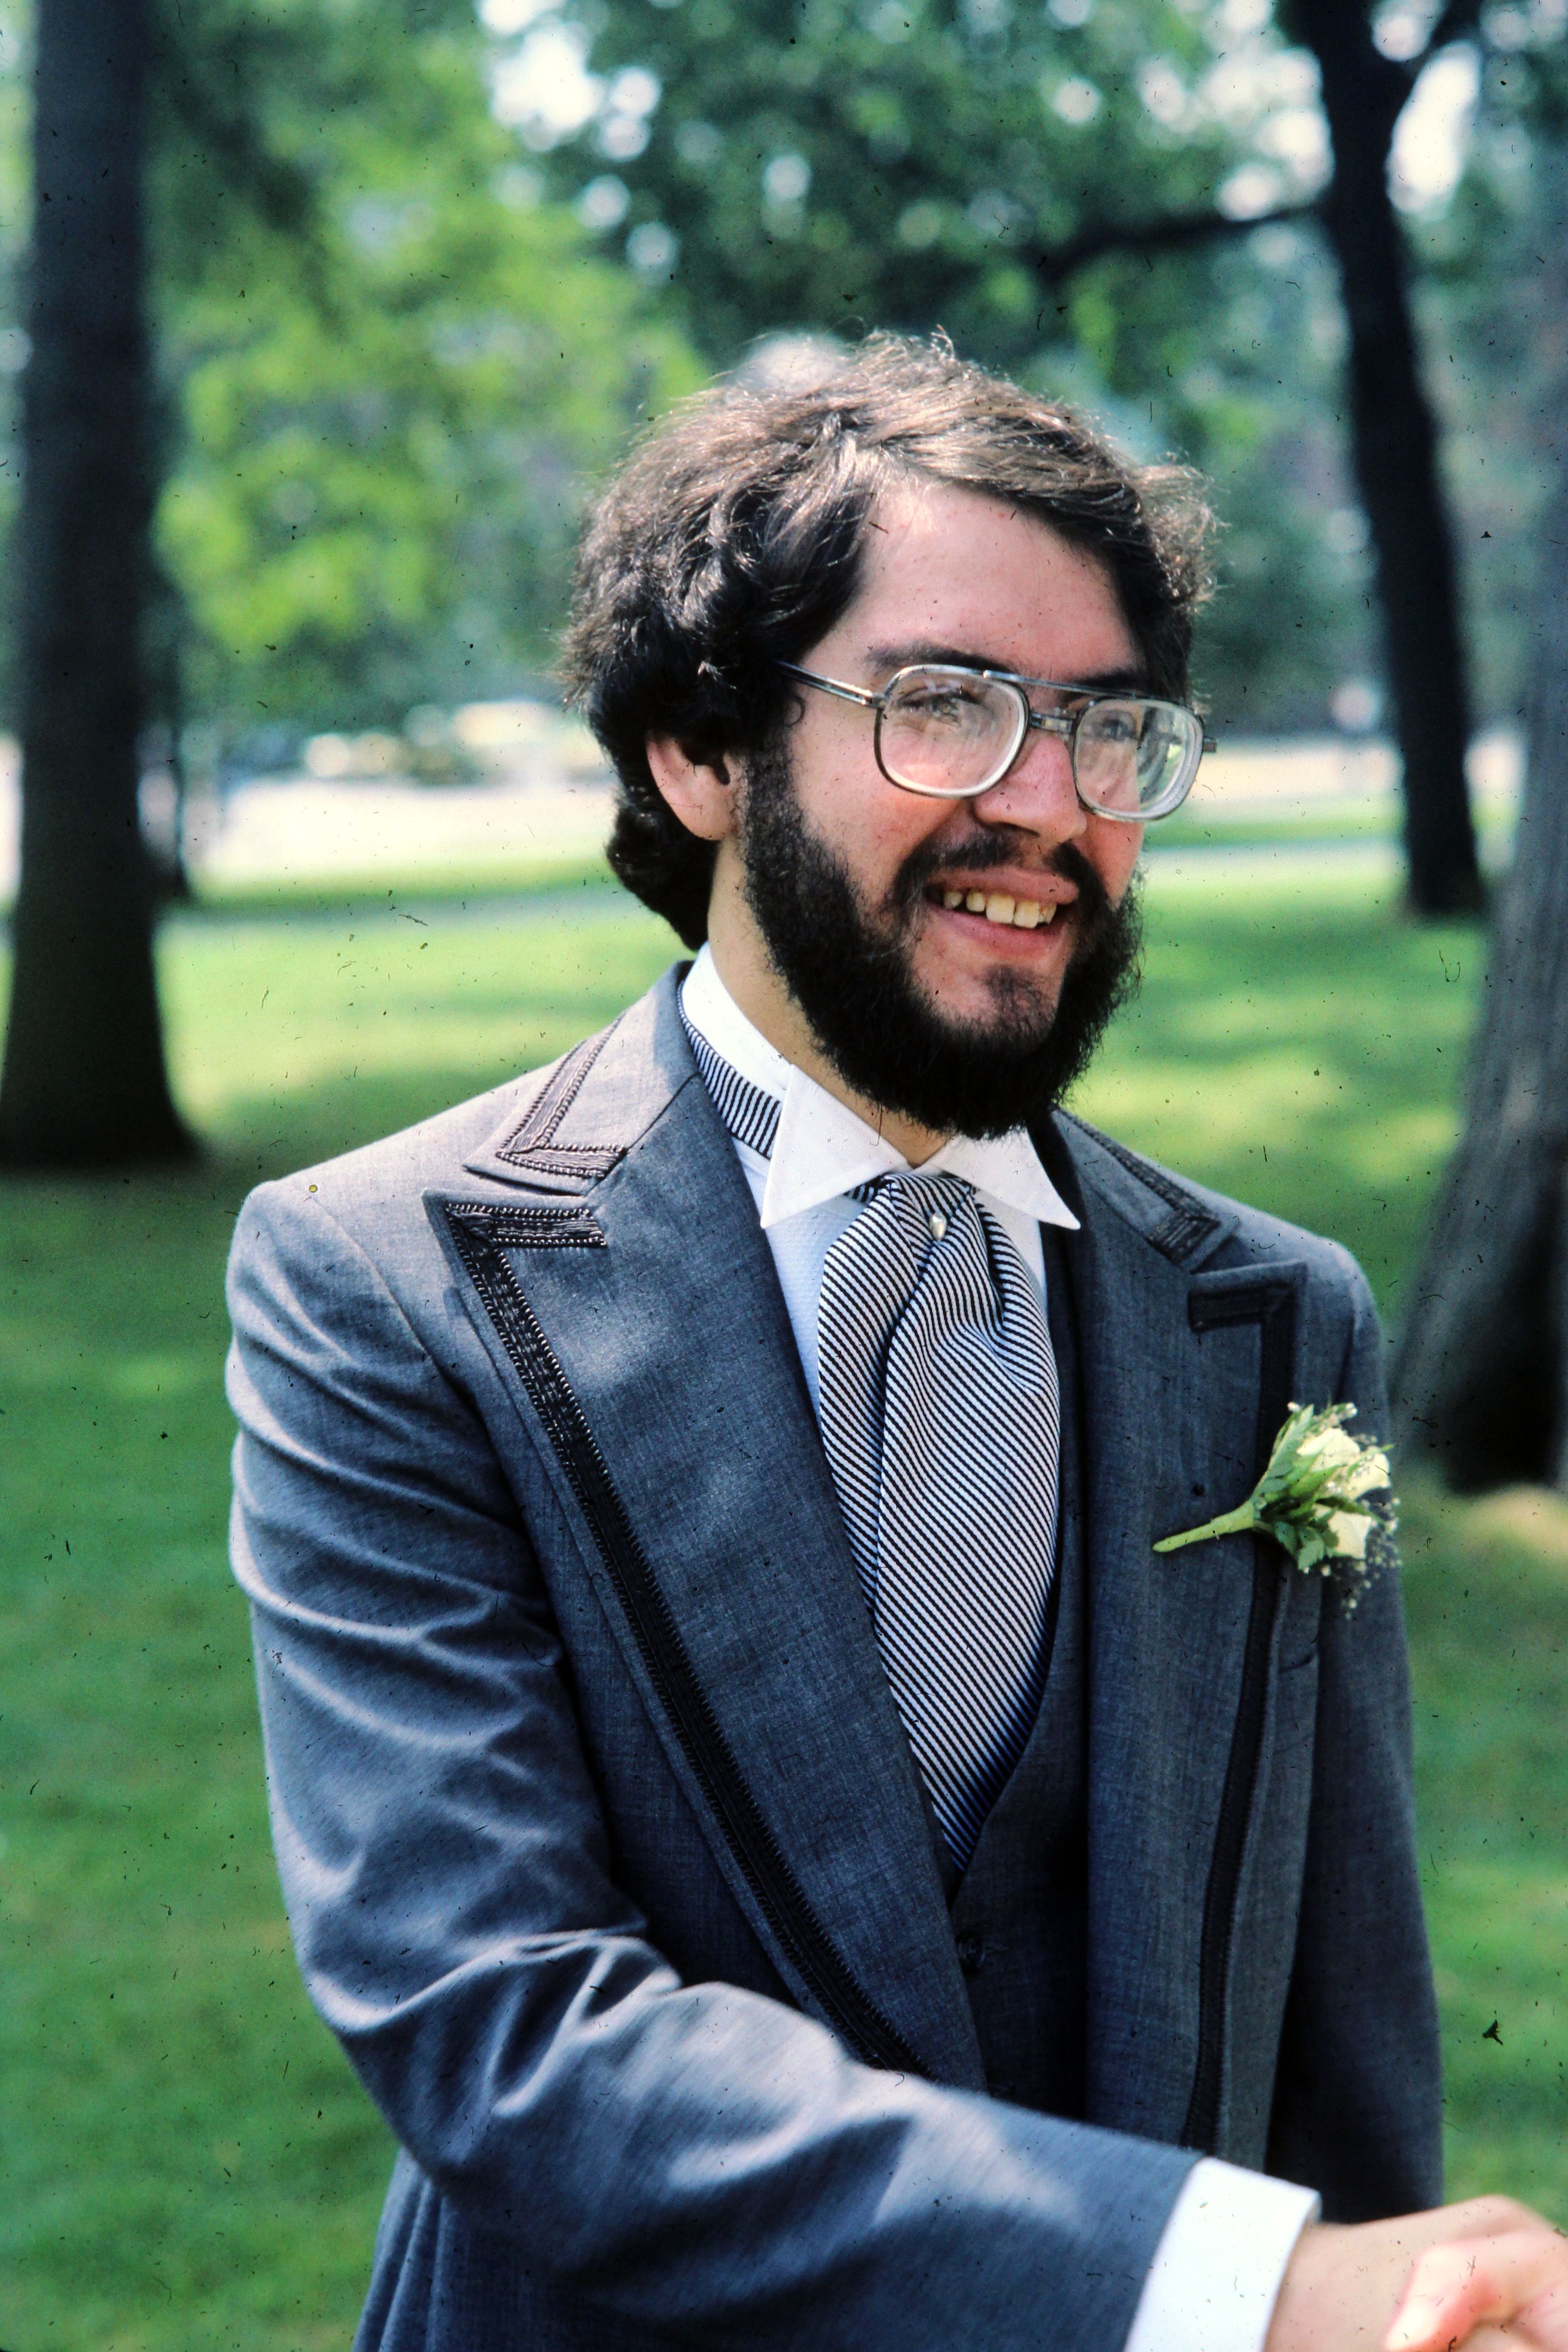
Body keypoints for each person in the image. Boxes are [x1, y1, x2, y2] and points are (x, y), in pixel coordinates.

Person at [225, 334, 1568, 2352]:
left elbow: (1340, 2043)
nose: (1046, 805)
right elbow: (507, 2034)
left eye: (1109, 730)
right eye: (945, 706)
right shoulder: (393, 1283)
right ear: (700, 750)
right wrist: (1237, 2288)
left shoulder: (1277, 1317)